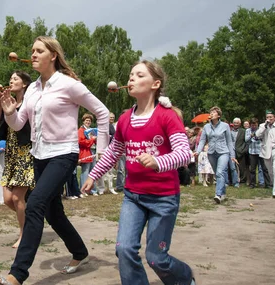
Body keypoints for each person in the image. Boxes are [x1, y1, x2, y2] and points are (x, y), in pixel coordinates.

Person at [0, 36, 109, 285]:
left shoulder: (69, 85)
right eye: (32, 50)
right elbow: (18, 124)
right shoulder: (33, 88)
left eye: (39, 51)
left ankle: (17, 274)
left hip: (64, 154)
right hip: (39, 155)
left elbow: (101, 112)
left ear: (53, 56)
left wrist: (101, 154)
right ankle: (80, 252)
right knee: (54, 212)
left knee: (34, 204)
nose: (33, 54)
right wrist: (9, 110)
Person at [83, 60, 195, 285]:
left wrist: (157, 161)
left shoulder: (167, 116)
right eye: (131, 74)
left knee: (156, 258)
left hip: (164, 199)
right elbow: (114, 151)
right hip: (133, 197)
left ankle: (185, 278)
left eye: (139, 75)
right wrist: (94, 174)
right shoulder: (125, 119)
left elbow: (185, 154)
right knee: (124, 250)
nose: (131, 78)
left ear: (155, 84)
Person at [0, 70, 34, 248]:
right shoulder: (9, 101)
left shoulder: (30, 101)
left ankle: (25, 235)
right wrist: (1, 101)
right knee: (8, 199)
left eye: (15, 79)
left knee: (17, 198)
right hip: (11, 152)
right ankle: (31, 220)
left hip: (26, 151)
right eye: (10, 78)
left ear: (24, 84)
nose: (11, 81)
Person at [196, 106, 237, 203]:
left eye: (213, 112)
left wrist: (232, 156)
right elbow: (202, 140)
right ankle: (223, 193)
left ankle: (218, 194)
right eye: (210, 112)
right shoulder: (206, 127)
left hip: (223, 152)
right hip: (211, 153)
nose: (211, 114)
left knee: (219, 172)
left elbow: (229, 142)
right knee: (218, 174)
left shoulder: (225, 126)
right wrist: (198, 151)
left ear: (218, 115)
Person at [245, 118, 270, 188]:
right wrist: (251, 135)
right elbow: (246, 140)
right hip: (252, 151)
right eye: (252, 125)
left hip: (261, 151)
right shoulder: (248, 130)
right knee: (252, 169)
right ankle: (252, 183)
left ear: (257, 124)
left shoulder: (261, 130)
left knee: (263, 168)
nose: (254, 126)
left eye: (255, 125)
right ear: (250, 125)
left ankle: (266, 183)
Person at [78, 113, 97, 196]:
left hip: (93, 151)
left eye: (89, 120)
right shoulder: (81, 130)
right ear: (83, 121)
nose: (88, 122)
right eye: (86, 120)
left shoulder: (91, 130)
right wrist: (92, 140)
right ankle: (83, 190)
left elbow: (94, 140)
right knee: (85, 171)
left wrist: (95, 139)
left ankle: (92, 190)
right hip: (85, 152)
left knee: (93, 171)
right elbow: (81, 142)